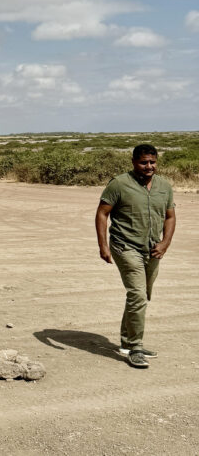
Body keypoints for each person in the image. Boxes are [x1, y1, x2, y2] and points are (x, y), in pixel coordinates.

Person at [95, 144, 176, 369]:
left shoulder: (164, 186)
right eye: (144, 162)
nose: (149, 166)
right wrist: (103, 246)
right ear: (133, 162)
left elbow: (170, 216)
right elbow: (102, 214)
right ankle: (135, 346)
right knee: (138, 295)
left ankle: (125, 340)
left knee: (142, 294)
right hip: (125, 246)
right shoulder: (119, 184)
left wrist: (165, 243)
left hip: (153, 249)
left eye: (152, 162)